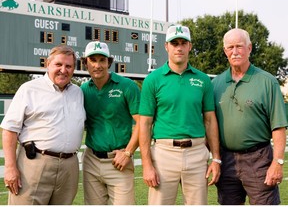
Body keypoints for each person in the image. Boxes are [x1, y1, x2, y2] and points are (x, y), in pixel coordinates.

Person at [139, 25, 221, 205]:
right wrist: (146, 164)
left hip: (197, 153)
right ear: (166, 46)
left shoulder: (202, 79)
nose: (179, 47)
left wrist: (216, 158)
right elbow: (144, 124)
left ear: (190, 46)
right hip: (164, 154)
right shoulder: (153, 80)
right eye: (174, 43)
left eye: (183, 43)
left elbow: (209, 120)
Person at [0, 45, 86, 205]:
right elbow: (9, 129)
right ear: (48, 64)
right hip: (35, 164)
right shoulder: (29, 89)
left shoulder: (78, 92)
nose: (63, 70)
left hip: (69, 167)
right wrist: (10, 167)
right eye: (58, 64)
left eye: (68, 66)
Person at [213, 28, 288, 205]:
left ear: (249, 48)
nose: (235, 51)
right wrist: (215, 158)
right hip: (226, 160)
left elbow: (278, 126)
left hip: (258, 158)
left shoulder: (267, 81)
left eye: (239, 46)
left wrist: (277, 162)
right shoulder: (216, 84)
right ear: (225, 51)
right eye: (230, 47)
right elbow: (210, 123)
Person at [80, 41, 140, 205]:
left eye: (102, 60)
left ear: (109, 62)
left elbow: (142, 123)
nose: (97, 65)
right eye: (93, 60)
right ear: (86, 63)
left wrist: (128, 153)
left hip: (119, 160)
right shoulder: (83, 90)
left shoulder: (127, 86)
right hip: (91, 160)